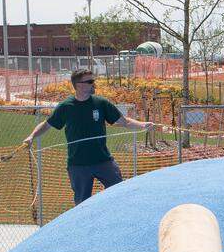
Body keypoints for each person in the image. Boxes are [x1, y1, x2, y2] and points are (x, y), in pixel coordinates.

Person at [24, 67, 154, 205]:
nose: (94, 84)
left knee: (119, 195)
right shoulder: (66, 106)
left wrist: (143, 124)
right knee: (82, 204)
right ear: (79, 85)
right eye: (90, 81)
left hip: (104, 161)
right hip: (78, 165)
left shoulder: (101, 103)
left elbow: (124, 122)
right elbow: (47, 124)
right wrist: (31, 136)